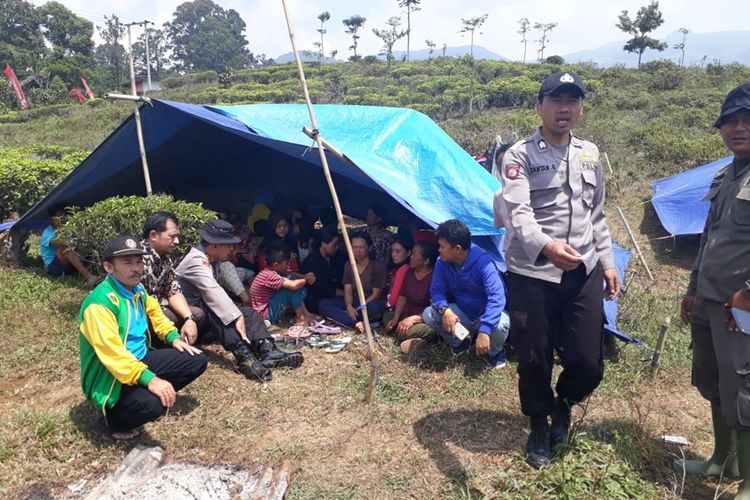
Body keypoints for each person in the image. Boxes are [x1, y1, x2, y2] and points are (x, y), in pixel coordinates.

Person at [496, 71, 620, 469]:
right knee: (533, 357)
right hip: (531, 270)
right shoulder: (518, 156)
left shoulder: (590, 153)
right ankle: (537, 422)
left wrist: (609, 261)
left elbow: (596, 213)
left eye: (572, 100)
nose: (564, 108)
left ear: (580, 109)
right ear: (539, 107)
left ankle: (563, 404)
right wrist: (546, 247)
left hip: (582, 268)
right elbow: (518, 213)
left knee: (587, 360)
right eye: (555, 100)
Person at [677, 84, 750, 496]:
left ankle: (749, 482)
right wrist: (692, 287)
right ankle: (722, 458)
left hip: (743, 307)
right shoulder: (726, 173)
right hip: (709, 299)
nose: (738, 128)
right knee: (713, 381)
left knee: (743, 389)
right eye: (730, 122)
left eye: (746, 120)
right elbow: (709, 237)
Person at [79, 236, 206, 440]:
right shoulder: (100, 304)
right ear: (108, 267)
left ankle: (145, 392)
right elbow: (113, 355)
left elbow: (156, 314)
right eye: (127, 263)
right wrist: (151, 379)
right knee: (153, 405)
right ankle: (112, 420)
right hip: (111, 375)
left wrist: (173, 337)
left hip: (139, 360)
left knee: (196, 360)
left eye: (139, 261)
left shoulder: (136, 288)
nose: (136, 268)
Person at [175, 220, 303, 382]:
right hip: (189, 322)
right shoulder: (196, 260)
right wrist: (236, 315)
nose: (232, 249)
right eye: (228, 245)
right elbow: (211, 292)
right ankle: (244, 357)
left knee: (249, 313)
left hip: (204, 319)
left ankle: (267, 349)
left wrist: (239, 314)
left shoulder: (214, 261)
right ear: (214, 245)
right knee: (217, 310)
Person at [422, 220, 509, 366]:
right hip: (463, 313)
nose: (439, 250)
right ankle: (461, 344)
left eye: (442, 246)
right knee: (429, 314)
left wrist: (485, 329)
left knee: (499, 325)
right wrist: (445, 311)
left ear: (457, 248)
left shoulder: (484, 263)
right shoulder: (441, 262)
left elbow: (497, 298)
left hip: (485, 314)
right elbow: (436, 291)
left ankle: (495, 352)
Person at [140, 212, 204, 346]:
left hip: (156, 310)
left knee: (197, 314)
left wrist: (189, 319)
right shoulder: (138, 259)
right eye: (172, 236)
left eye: (177, 236)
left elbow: (173, 291)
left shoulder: (165, 259)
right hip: (137, 313)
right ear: (153, 235)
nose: (177, 241)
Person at [319, 231, 387, 331]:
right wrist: (349, 306)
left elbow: (376, 294)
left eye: (361, 247)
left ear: (369, 248)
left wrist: (360, 307)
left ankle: (351, 319)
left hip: (370, 303)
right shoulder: (349, 265)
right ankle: (354, 321)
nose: (357, 251)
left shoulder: (377, 266)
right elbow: (348, 290)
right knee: (323, 304)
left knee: (374, 308)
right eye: (354, 247)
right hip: (355, 301)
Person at [250, 243, 315, 336]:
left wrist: (305, 276)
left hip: (268, 309)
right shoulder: (269, 275)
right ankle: (301, 319)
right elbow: (293, 285)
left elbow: (292, 274)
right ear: (276, 265)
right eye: (286, 264)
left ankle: (305, 313)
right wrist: (306, 279)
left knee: (293, 280)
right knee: (291, 289)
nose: (287, 266)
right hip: (265, 314)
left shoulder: (271, 271)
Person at [385, 241, 438, 350]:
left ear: (426, 261)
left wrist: (413, 319)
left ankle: (428, 337)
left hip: (424, 319)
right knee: (387, 317)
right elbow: (402, 296)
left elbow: (434, 309)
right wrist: (396, 317)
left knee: (406, 331)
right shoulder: (409, 272)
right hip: (407, 313)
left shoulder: (434, 278)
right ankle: (411, 337)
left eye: (414, 254)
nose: (410, 257)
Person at [40, 208, 97, 284]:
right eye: (59, 217)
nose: (62, 219)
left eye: (64, 217)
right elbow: (59, 241)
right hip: (54, 268)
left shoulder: (65, 229)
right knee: (65, 248)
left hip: (67, 265)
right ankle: (89, 277)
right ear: (52, 218)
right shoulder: (47, 232)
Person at [300, 227, 343, 314]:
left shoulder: (335, 258)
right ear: (323, 244)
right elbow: (322, 288)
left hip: (332, 296)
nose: (337, 247)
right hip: (316, 300)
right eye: (334, 245)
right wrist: (343, 293)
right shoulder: (312, 262)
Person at [387, 237, 413, 309]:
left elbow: (394, 299)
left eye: (398, 251)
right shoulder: (392, 269)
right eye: (392, 251)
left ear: (408, 253)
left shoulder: (405, 270)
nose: (393, 254)